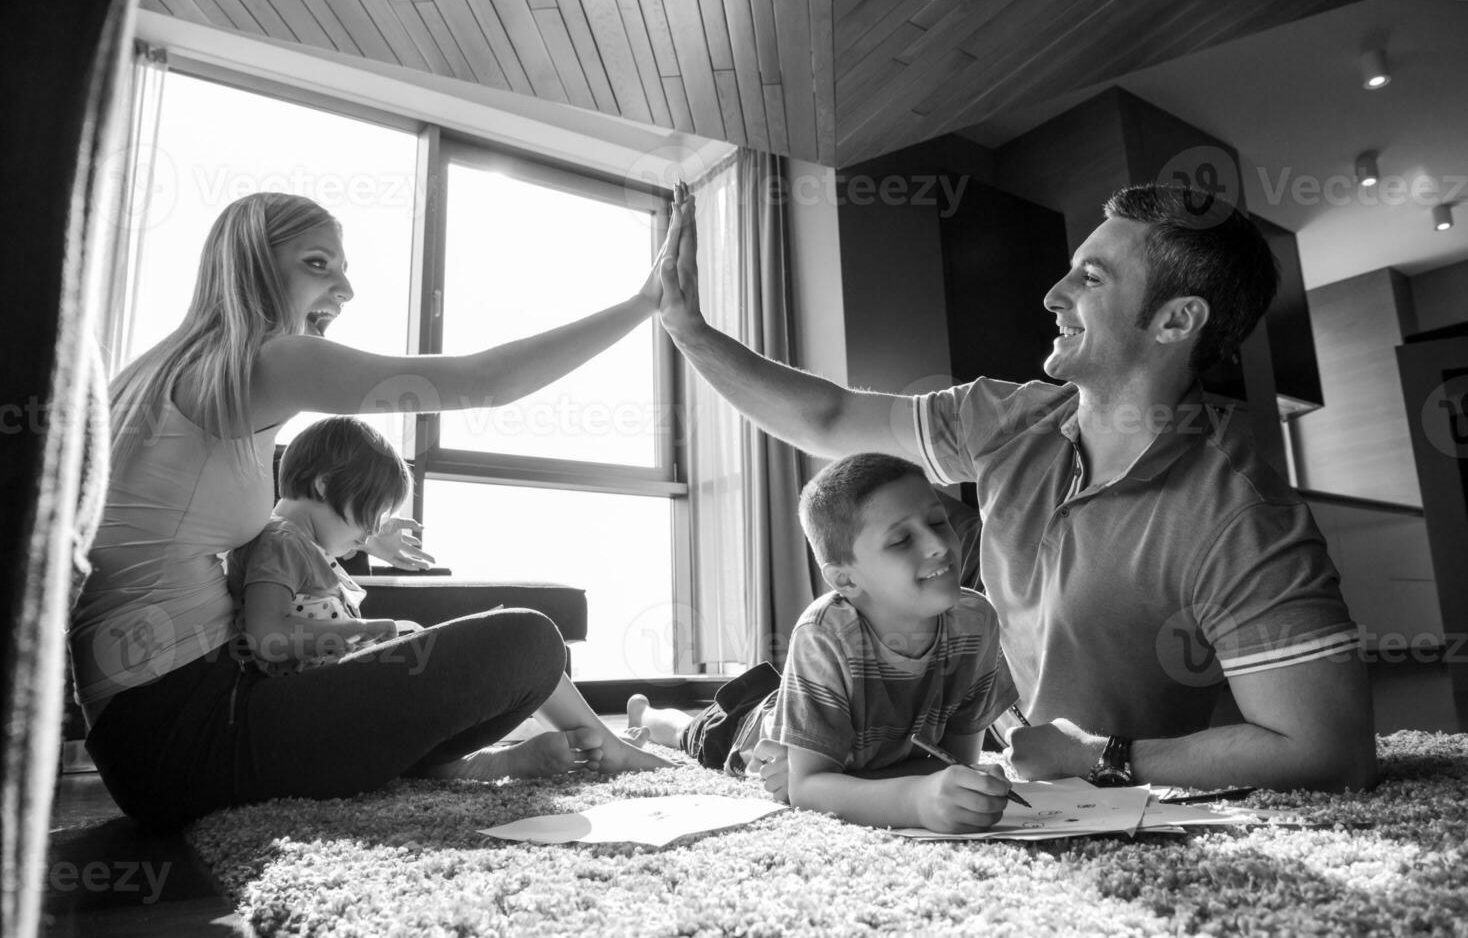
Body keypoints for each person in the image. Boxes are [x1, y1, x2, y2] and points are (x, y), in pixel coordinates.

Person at [654, 183, 1378, 795]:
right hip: (931, 720)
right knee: (735, 735)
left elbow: (1327, 748)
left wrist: (1104, 755)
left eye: (1092, 279)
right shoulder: (1009, 417)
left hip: (1019, 772)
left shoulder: (1239, 510)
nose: (1053, 294)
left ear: (1177, 319)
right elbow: (831, 416)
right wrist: (686, 328)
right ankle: (674, 720)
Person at [71, 188, 690, 828]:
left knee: (494, 662)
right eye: (318, 264)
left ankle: (492, 760)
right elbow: (487, 381)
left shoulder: (151, 377)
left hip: (142, 739)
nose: (344, 288)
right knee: (530, 642)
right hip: (191, 732)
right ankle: (580, 751)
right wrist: (643, 304)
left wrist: (366, 543)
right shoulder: (266, 360)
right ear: (253, 261)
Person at [627, 453, 1018, 832]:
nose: (937, 544)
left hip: (835, 725)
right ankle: (645, 715)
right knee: (693, 735)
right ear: (846, 580)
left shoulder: (976, 621)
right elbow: (806, 788)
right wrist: (914, 799)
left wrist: (846, 780)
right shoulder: (824, 633)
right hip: (755, 726)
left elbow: (956, 761)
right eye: (901, 540)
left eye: (939, 521)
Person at [229, 415, 420, 674]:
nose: (371, 531)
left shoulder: (298, 545)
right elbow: (266, 634)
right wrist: (359, 630)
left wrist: (366, 540)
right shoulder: (281, 543)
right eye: (371, 515)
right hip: (293, 699)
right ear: (325, 486)